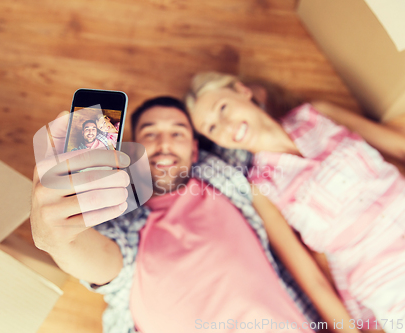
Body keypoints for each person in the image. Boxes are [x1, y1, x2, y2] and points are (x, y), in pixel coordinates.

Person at [30, 97, 358, 333]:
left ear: (196, 148)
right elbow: (105, 263)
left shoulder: (230, 177)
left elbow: (255, 103)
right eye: (150, 133)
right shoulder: (125, 223)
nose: (164, 144)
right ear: (134, 153)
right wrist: (59, 240)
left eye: (178, 133)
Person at [186, 71, 405, 333]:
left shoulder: (319, 114)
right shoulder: (260, 188)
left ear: (242, 91)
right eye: (211, 128)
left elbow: (400, 147)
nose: (224, 125)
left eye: (222, 108)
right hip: (383, 278)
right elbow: (311, 279)